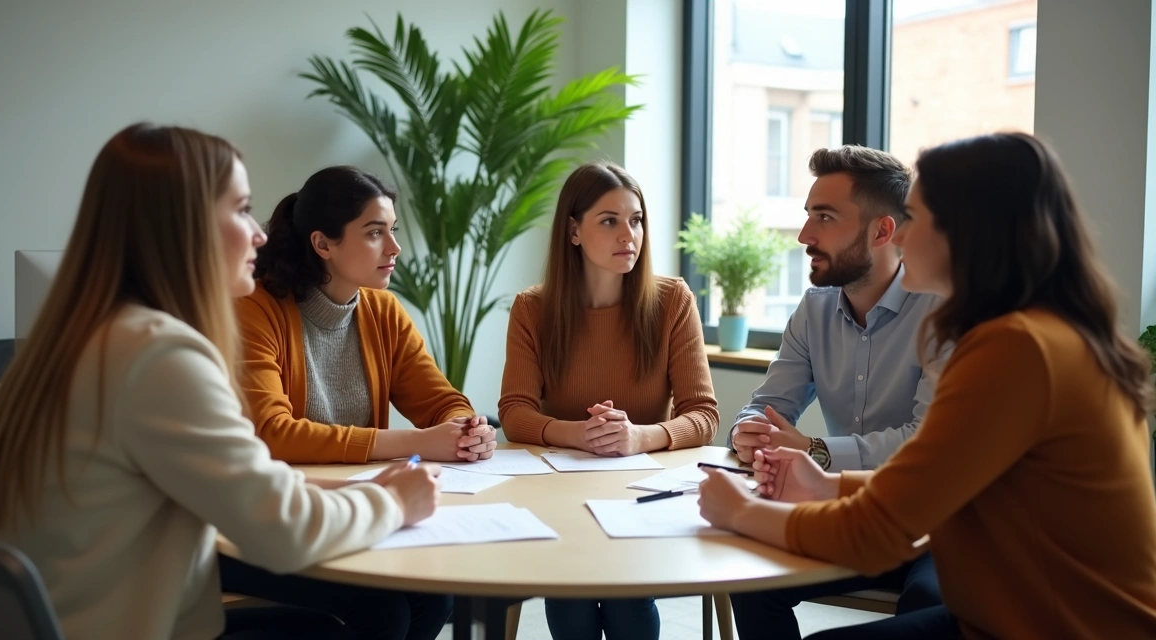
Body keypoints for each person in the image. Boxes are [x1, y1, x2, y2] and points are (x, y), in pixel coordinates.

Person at [0, 123, 443, 640]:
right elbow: (284, 531)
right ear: (182, 226)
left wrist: (354, 486)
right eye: (241, 208)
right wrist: (393, 503)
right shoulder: (157, 354)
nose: (259, 234)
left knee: (385, 610)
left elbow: (237, 481)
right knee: (370, 618)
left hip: (74, 621)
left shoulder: (82, 336)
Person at [698, 132, 1156, 639]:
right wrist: (828, 484)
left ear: (966, 233)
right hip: (1020, 610)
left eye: (914, 219)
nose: (900, 237)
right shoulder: (1035, 332)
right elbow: (942, 482)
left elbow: (881, 529)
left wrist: (740, 511)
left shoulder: (1017, 349)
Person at [725, 146, 943, 639]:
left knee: (930, 603)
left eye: (824, 218)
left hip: (932, 523)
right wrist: (750, 430)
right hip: (851, 512)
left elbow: (923, 445)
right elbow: (767, 404)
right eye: (807, 216)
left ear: (882, 231)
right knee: (749, 576)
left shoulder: (941, 311)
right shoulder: (814, 308)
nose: (804, 236)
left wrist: (816, 451)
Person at [499, 161, 720, 640]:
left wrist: (638, 436)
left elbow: (703, 415)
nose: (629, 234)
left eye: (636, 220)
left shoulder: (671, 301)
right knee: (571, 598)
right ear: (574, 231)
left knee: (628, 599)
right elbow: (514, 413)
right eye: (610, 221)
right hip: (558, 495)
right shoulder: (532, 308)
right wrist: (576, 432)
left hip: (644, 494)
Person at [237, 165, 495, 466]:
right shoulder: (253, 309)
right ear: (323, 244)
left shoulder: (384, 311)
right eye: (375, 232)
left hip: (367, 491)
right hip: (294, 497)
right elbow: (271, 433)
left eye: (392, 230)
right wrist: (418, 442)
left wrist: (466, 430)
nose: (394, 248)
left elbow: (441, 403)